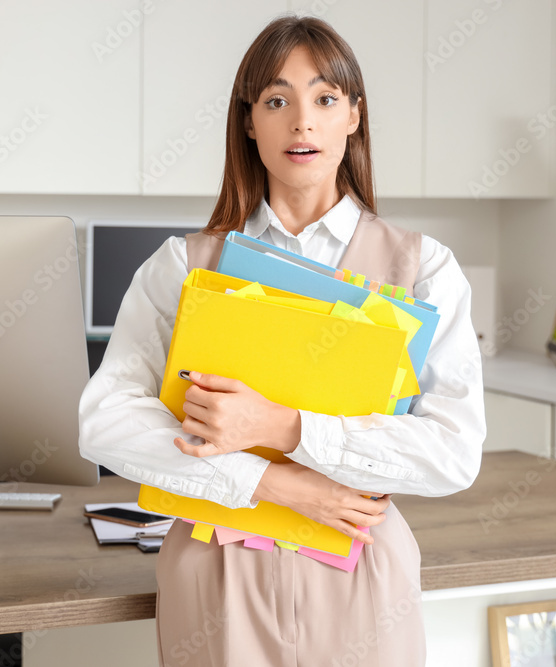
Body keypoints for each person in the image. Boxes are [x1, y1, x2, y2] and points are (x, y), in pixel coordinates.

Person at [79, 14, 485, 666]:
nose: (302, 122)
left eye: (325, 98)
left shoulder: (425, 268)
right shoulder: (183, 267)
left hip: (364, 569)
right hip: (213, 572)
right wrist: (270, 481)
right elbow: (105, 424)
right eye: (277, 100)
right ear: (249, 122)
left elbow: (453, 452)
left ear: (354, 116)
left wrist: (288, 426)